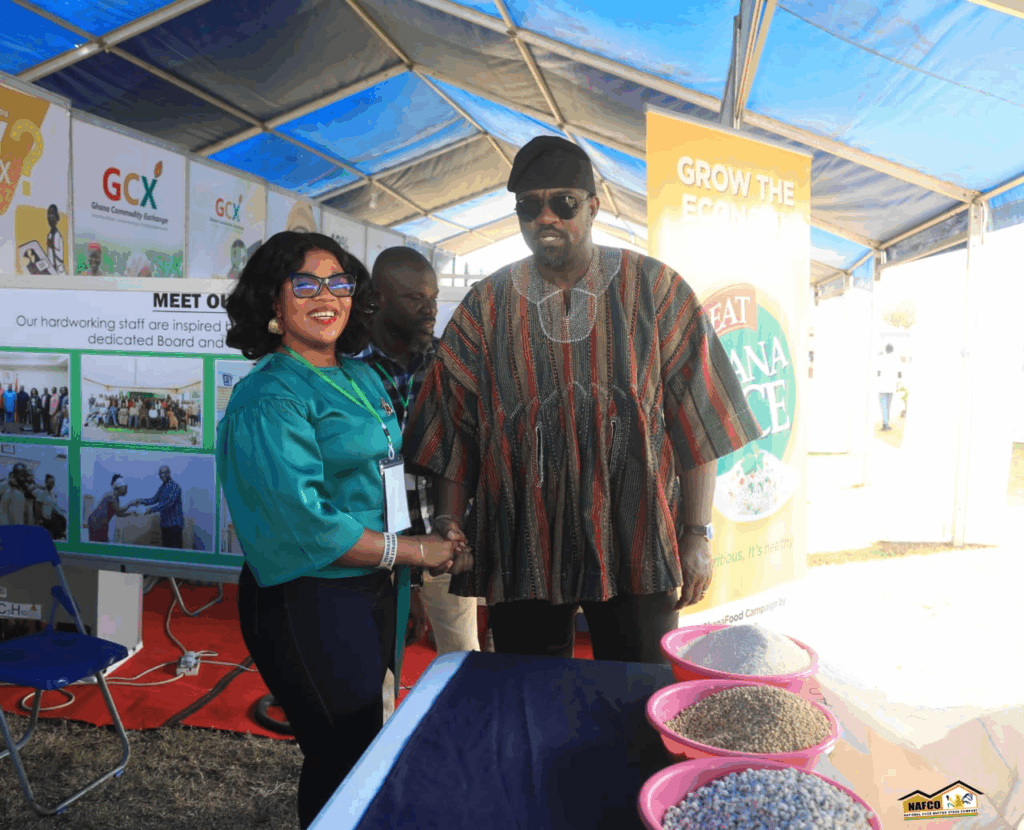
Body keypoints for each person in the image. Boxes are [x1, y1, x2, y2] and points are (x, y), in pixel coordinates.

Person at [404, 136, 762, 664]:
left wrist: (696, 533)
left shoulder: (656, 290)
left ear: (592, 207)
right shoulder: (487, 304)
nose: (545, 217)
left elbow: (698, 422)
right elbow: (454, 427)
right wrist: (451, 527)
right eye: (529, 205)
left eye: (562, 203)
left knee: (639, 694)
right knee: (532, 700)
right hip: (524, 543)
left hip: (637, 540)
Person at [216, 231, 471, 829]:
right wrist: (412, 552)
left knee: (366, 740)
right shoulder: (269, 395)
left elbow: (385, 482)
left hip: (372, 590)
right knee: (342, 754)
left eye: (339, 283)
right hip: (309, 600)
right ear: (273, 304)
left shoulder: (360, 378)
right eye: (305, 284)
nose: (326, 296)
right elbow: (302, 522)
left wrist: (409, 570)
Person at [357, 246, 480, 655]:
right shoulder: (346, 369)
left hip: (443, 541)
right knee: (377, 678)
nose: (430, 310)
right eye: (415, 299)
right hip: (371, 549)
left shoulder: (450, 362)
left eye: (433, 298)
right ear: (378, 299)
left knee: (463, 664)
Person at [129, 465, 185, 549]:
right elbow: (153, 499)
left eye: (164, 473)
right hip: (165, 525)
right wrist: (140, 501)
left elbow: (168, 503)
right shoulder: (162, 488)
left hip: (175, 526)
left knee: (176, 554)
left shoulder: (175, 486)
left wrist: (152, 509)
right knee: (166, 552)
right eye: (160, 474)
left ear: (169, 473)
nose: (162, 475)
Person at [87, 475, 133, 542]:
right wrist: (130, 504)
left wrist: (130, 512)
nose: (126, 491)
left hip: (101, 522)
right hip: (96, 522)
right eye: (125, 488)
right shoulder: (111, 496)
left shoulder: (116, 499)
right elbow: (119, 511)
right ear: (119, 487)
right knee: (100, 544)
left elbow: (119, 514)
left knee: (102, 543)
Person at [877, 343, 902, 431]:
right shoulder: (896, 358)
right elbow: (900, 374)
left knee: (883, 406)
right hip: (891, 386)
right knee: (888, 406)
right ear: (892, 350)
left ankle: (885, 425)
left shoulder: (881, 357)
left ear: (886, 349)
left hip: (882, 386)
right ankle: (886, 424)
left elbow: (878, 373)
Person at [46, 204, 66, 275]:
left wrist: (52, 246)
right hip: (52, 269)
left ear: (57, 217)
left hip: (58, 270)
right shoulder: (49, 235)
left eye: (52, 214)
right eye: (48, 215)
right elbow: (49, 255)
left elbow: (60, 254)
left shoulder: (57, 235)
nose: (50, 217)